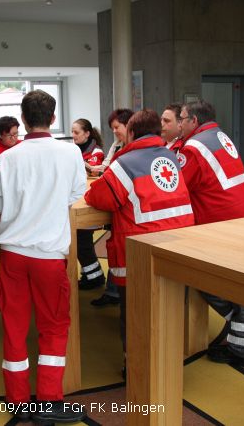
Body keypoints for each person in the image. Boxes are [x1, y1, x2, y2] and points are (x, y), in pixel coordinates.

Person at [0, 90, 87, 424]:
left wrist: (17, 216)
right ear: (53, 119)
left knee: (14, 325)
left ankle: (16, 400)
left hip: (12, 254)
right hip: (48, 255)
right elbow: (75, 195)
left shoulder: (6, 158)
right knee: (54, 325)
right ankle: (48, 401)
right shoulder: (71, 152)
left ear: (23, 119)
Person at [85, 109, 194, 378]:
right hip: (179, 244)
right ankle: (169, 359)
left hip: (139, 251)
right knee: (169, 307)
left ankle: (135, 366)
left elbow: (99, 198)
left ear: (131, 133)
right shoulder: (171, 156)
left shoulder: (126, 163)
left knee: (134, 313)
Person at [176, 100, 244, 367]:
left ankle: (241, 349)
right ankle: (243, 330)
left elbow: (178, 187)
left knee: (204, 278)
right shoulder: (219, 135)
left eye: (181, 118)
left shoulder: (192, 147)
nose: (179, 124)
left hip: (222, 224)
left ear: (193, 121)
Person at [86, 109, 134, 307]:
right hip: (118, 206)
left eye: (117, 128)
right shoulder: (118, 145)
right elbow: (106, 166)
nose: (114, 132)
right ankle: (113, 290)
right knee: (116, 249)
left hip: (127, 210)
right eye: (112, 128)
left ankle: (114, 290)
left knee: (121, 251)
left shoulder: (133, 152)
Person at [71, 118, 106, 291]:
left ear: (87, 133)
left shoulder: (96, 152)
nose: (73, 135)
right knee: (81, 241)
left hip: (91, 203)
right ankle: (93, 275)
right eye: (72, 132)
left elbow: (93, 170)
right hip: (80, 201)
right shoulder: (75, 150)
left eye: (76, 132)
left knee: (82, 241)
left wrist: (75, 160)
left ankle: (95, 277)